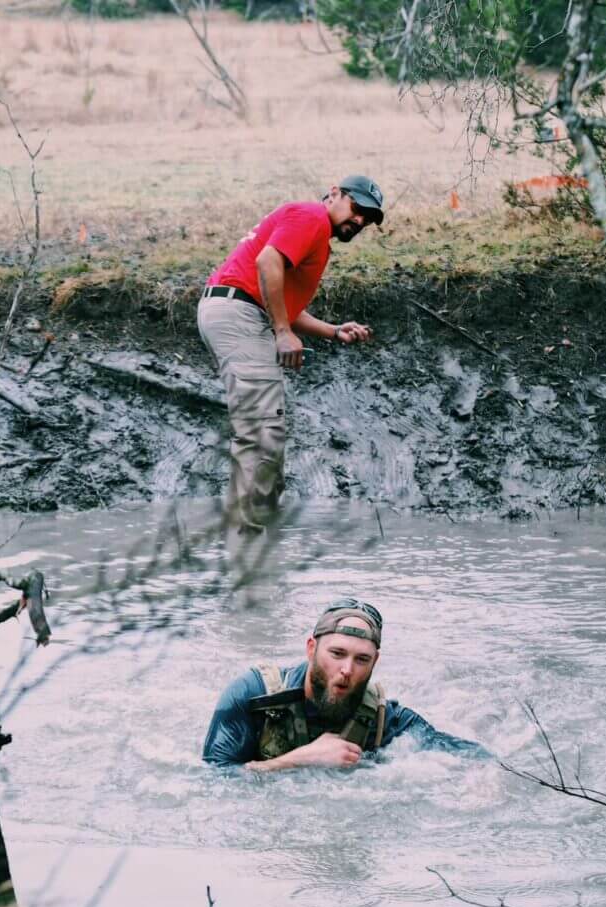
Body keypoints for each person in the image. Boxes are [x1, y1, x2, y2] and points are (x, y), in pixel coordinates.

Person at [197, 177, 385, 533]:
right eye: (357, 209)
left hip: (233, 310)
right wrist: (282, 332)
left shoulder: (312, 230)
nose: (360, 221)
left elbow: (279, 300)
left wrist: (332, 330)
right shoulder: (312, 217)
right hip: (240, 314)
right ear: (334, 194)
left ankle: (256, 530)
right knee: (261, 428)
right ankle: (249, 540)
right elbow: (267, 263)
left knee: (266, 426)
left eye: (368, 218)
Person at [202, 598, 483, 770]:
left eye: (362, 659)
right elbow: (214, 779)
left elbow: (469, 756)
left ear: (375, 662)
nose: (347, 670)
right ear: (311, 648)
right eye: (337, 654)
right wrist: (297, 760)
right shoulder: (253, 695)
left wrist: (483, 778)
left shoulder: (384, 720)